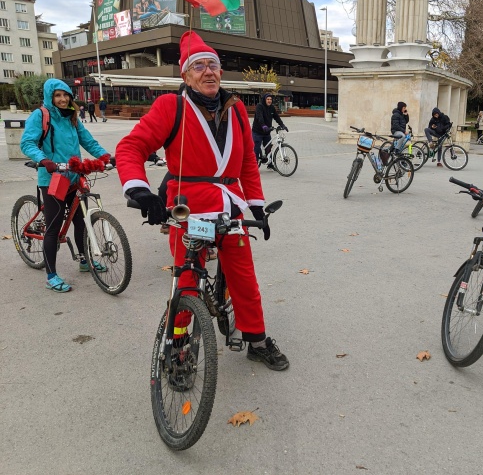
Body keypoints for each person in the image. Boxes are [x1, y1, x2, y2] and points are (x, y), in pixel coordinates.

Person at [115, 31, 289, 371]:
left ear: (221, 72)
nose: (208, 72)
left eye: (213, 65)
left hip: (231, 205)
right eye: (198, 66)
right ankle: (178, 347)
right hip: (188, 207)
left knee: (244, 276)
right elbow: (130, 148)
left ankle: (256, 339)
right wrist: (140, 189)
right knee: (188, 281)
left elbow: (248, 165)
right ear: (185, 75)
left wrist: (256, 208)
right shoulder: (171, 106)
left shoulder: (237, 108)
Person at [20, 79, 110, 293]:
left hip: (74, 176)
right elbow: (27, 142)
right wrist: (43, 160)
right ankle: (51, 276)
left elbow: (88, 141)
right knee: (54, 227)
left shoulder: (72, 117)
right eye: (58, 95)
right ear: (50, 96)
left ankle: (84, 260)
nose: (62, 99)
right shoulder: (41, 115)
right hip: (53, 178)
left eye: (66, 95)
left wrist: (105, 156)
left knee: (81, 221)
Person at [251, 93, 287, 170]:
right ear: (265, 99)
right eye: (268, 99)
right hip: (257, 131)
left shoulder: (272, 108)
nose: (269, 101)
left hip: (267, 132)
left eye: (270, 99)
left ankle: (270, 164)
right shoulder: (259, 106)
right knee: (256, 149)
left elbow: (276, 117)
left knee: (268, 149)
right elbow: (259, 117)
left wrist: (282, 125)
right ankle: (254, 167)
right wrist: (263, 125)